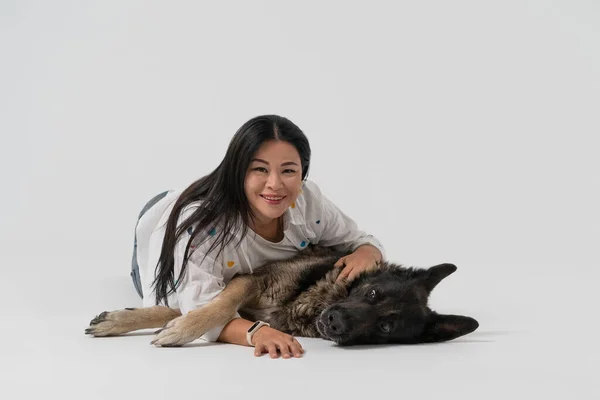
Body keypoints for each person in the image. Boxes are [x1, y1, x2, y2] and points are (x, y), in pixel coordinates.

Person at [131, 115, 385, 358]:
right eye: (260, 169)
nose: (275, 184)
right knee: (175, 300)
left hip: (251, 283)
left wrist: (367, 252)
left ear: (302, 173)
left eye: (288, 171)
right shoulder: (202, 226)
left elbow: (358, 240)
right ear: (238, 171)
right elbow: (197, 314)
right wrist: (256, 333)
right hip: (163, 225)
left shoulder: (308, 201)